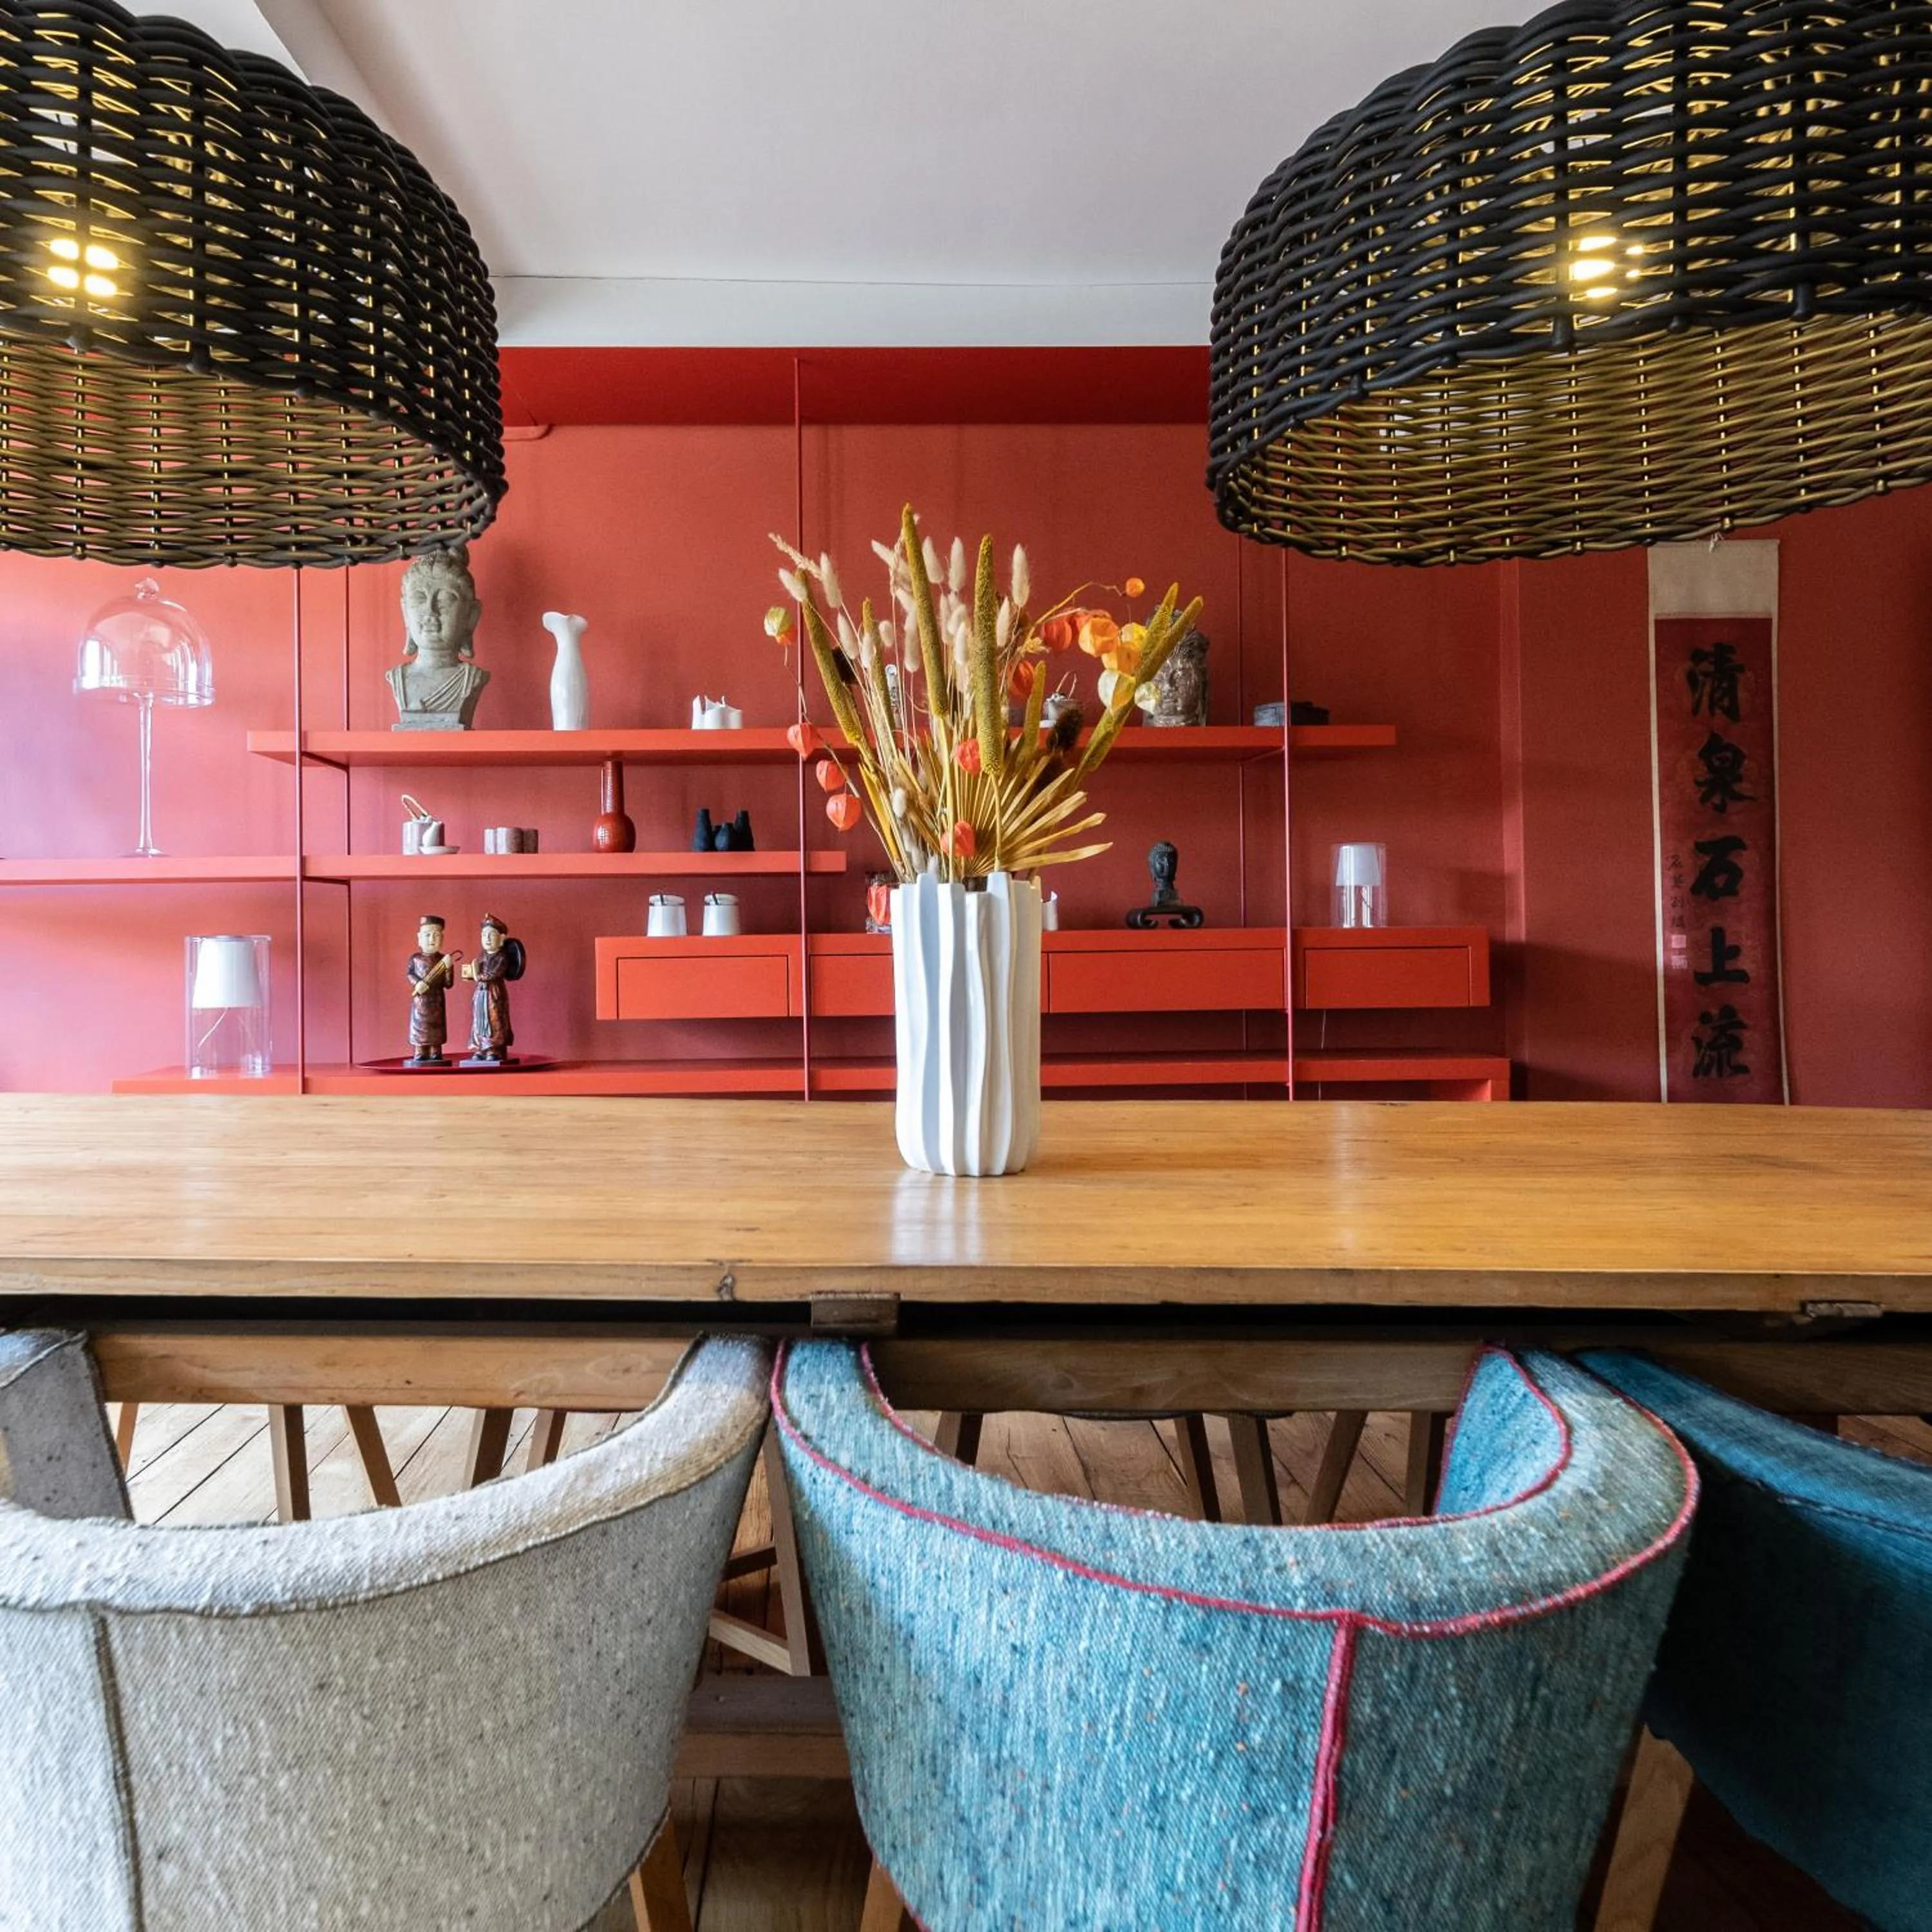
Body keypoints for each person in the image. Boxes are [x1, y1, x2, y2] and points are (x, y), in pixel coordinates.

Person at [462, 914, 515, 1063]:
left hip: (494, 993)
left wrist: (478, 975)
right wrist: (470, 974)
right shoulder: (482, 956)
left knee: (494, 1019)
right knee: (479, 1020)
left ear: (502, 938)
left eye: (492, 935)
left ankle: (493, 1049)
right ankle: (480, 1049)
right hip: (480, 993)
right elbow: (478, 972)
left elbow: (493, 974)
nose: (488, 938)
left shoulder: (501, 957)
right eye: (484, 935)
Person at [405, 913, 455, 1066]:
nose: (432, 940)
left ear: (442, 938)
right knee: (420, 1026)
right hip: (421, 1001)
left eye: (436, 935)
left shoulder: (444, 959)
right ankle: (420, 1052)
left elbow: (448, 984)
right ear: (419, 938)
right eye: (427, 935)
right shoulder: (415, 959)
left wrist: (448, 968)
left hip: (437, 1000)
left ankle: (435, 1052)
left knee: (436, 1027)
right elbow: (410, 973)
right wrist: (417, 983)